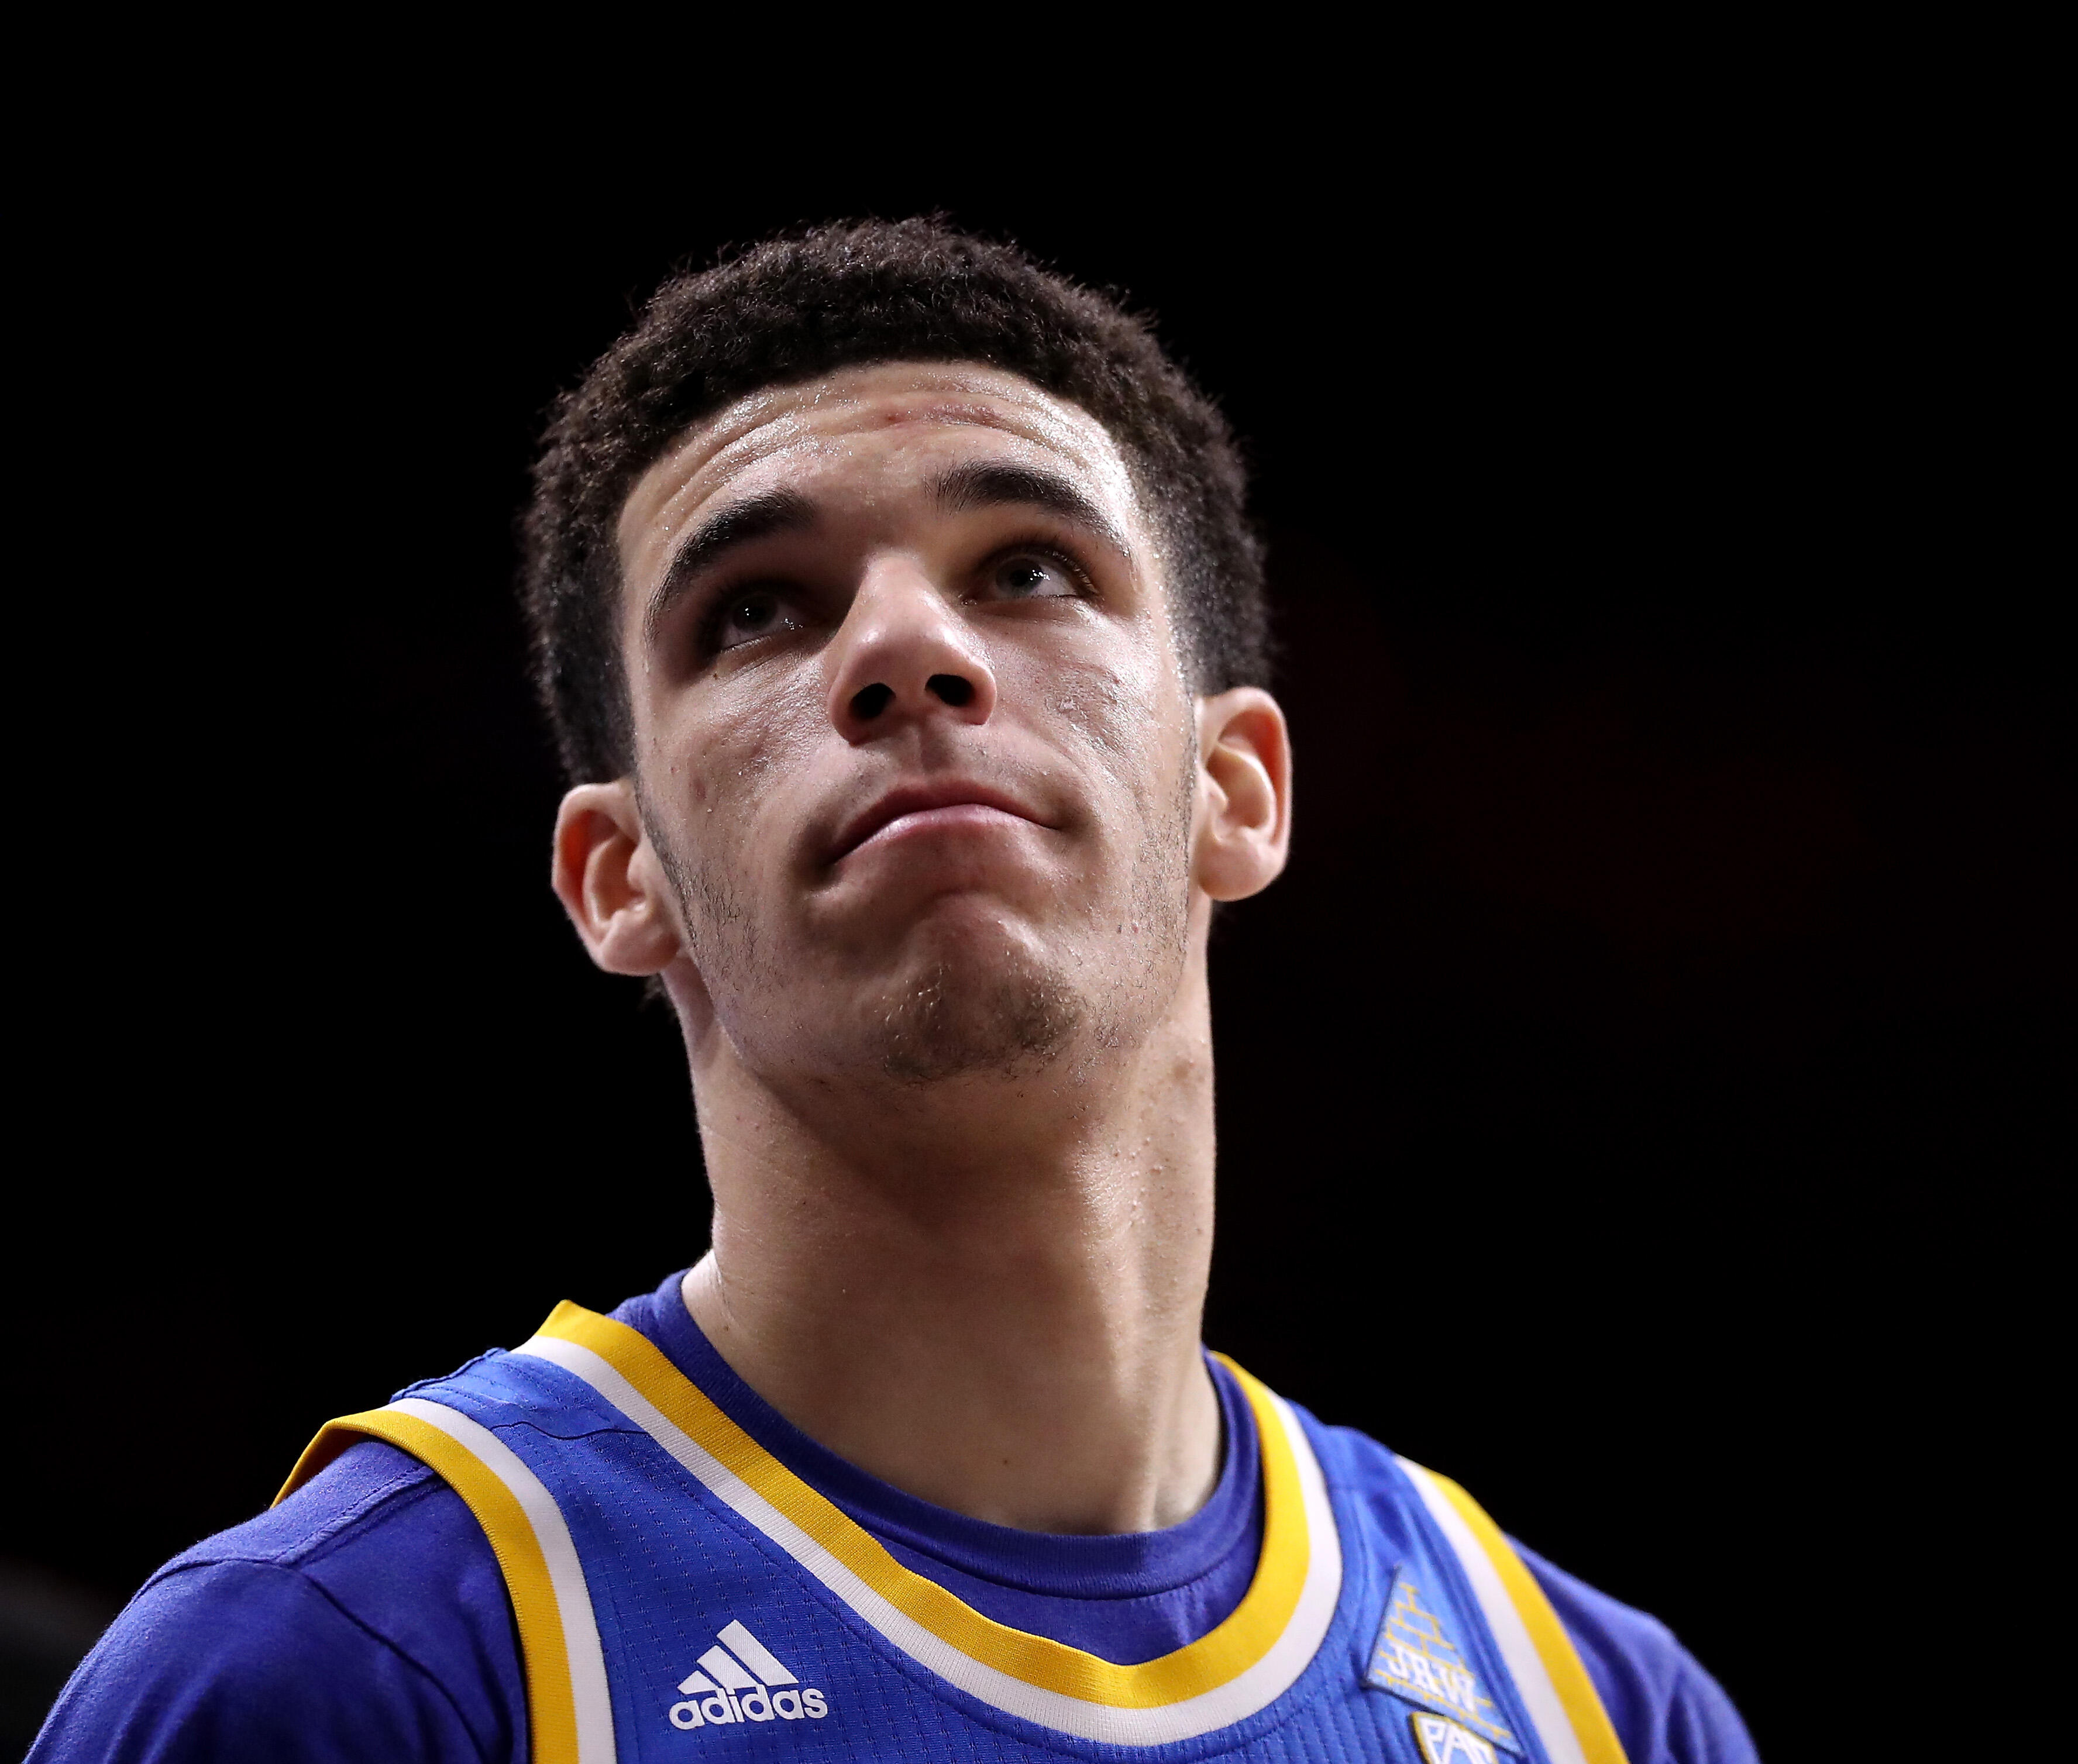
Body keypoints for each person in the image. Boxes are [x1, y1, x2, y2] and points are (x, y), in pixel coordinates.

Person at [35, 219, 1755, 1764]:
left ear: (1234, 788)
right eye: (756, 610)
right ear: (617, 879)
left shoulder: (1598, 1712)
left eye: (1027, 569)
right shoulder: (353, 1671)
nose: (904, 651)